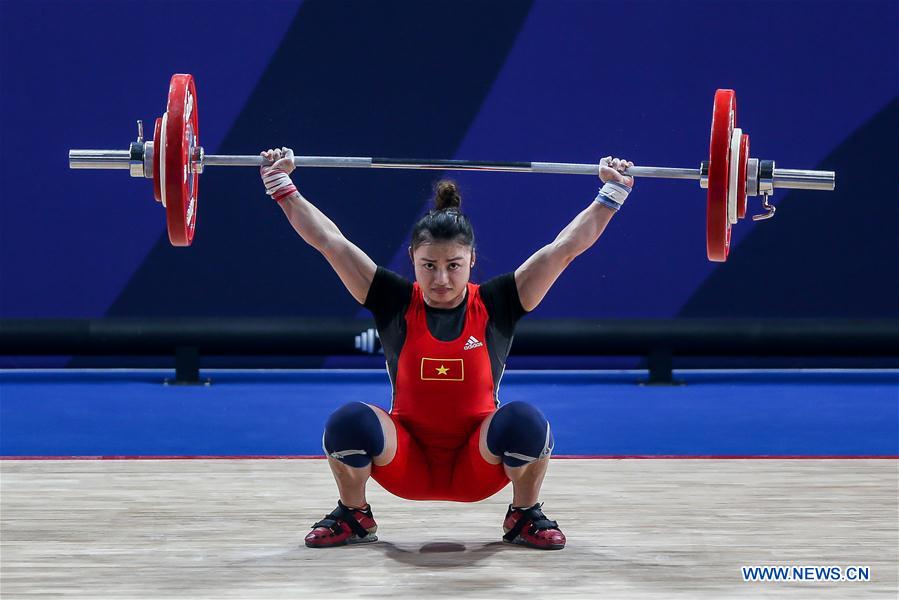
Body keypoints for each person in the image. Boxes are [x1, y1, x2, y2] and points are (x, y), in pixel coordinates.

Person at [259, 147, 634, 550]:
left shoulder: (499, 302)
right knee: (349, 421)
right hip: (405, 462)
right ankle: (355, 515)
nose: (440, 279)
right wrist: (282, 186)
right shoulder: (393, 301)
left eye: (453, 265)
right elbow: (330, 242)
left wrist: (610, 195)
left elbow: (564, 248)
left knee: (525, 421)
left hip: (479, 464)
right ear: (412, 260)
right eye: (428, 265)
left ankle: (523, 515)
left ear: (472, 259)